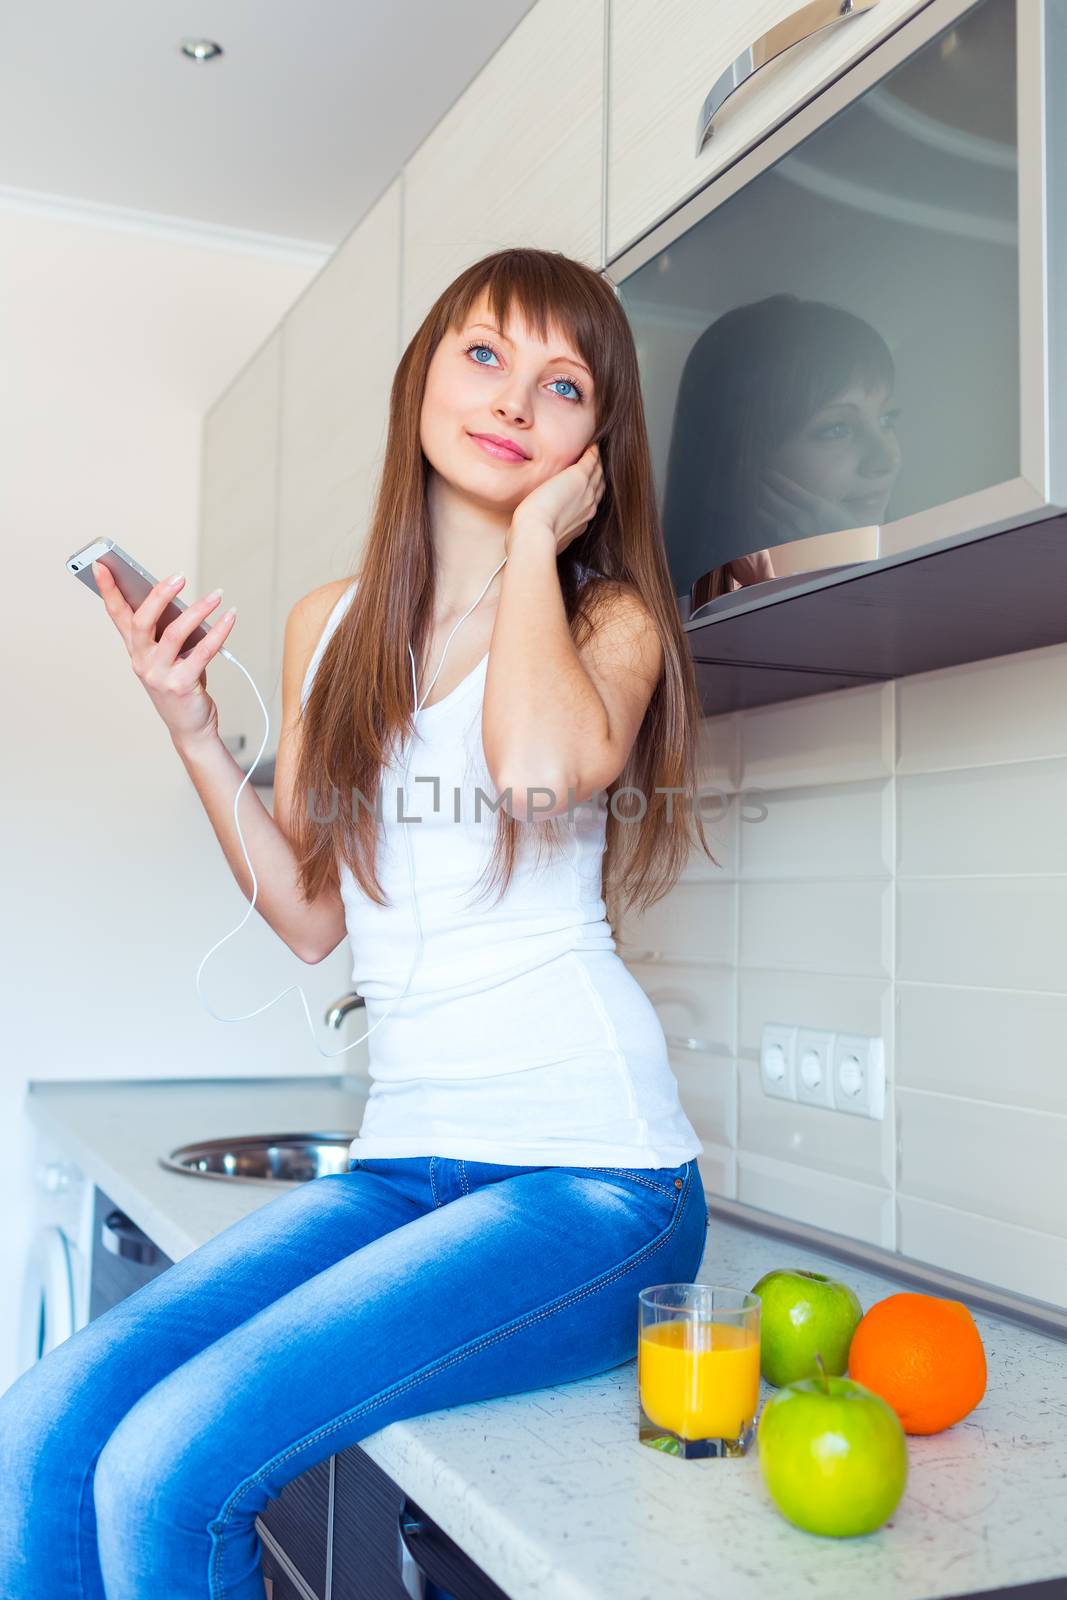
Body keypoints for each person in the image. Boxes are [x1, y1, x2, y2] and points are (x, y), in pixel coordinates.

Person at [0, 247, 717, 1600]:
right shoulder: (330, 626)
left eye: (563, 384)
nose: (514, 397)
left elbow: (536, 772)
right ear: (424, 379)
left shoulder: (605, 618)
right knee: (41, 1435)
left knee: (167, 1473)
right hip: (404, 1167)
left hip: (594, 1181)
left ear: (595, 450)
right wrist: (193, 729)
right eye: (485, 355)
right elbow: (314, 917)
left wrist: (522, 550)